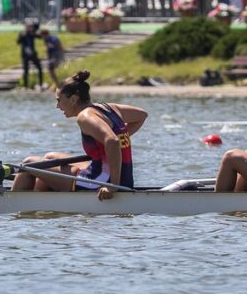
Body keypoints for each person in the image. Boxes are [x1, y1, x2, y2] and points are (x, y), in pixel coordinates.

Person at [12, 70, 148, 200]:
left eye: (59, 100)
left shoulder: (85, 116)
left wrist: (112, 185)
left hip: (103, 181)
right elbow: (141, 115)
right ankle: (43, 205)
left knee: (28, 164)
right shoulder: (109, 107)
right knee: (50, 157)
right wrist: (116, 139)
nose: (57, 106)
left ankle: (13, 207)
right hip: (124, 179)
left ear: (73, 99)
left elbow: (112, 141)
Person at [17, 21, 43, 90]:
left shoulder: (32, 33)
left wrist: (35, 31)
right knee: (26, 70)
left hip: (32, 54)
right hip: (25, 54)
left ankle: (40, 84)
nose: (29, 28)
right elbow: (18, 42)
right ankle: (26, 86)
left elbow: (40, 37)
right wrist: (24, 35)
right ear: (25, 27)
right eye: (28, 27)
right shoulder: (22, 33)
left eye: (30, 27)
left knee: (39, 68)